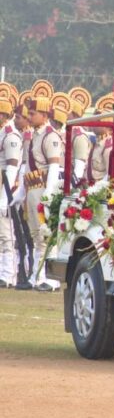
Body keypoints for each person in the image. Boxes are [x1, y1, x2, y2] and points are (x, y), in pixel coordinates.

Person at [22, 83, 65, 291]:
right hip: (32, 188)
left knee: (46, 234)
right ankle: (37, 275)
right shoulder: (34, 134)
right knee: (35, 235)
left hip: (43, 188)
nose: (29, 116)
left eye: (33, 113)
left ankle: (51, 278)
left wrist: (49, 192)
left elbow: (54, 165)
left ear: (44, 115)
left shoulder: (50, 135)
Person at [0, 82, 22, 288]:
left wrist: (5, 197)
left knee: (7, 234)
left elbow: (12, 166)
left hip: (5, 187)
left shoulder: (10, 135)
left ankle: (9, 274)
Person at [67, 87, 93, 187]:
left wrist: (73, 188)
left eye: (67, 111)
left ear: (75, 115)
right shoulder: (70, 132)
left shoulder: (79, 136)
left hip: (73, 183)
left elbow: (79, 166)